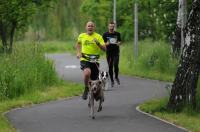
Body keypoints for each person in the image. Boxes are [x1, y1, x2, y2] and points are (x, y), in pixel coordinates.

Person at [76, 21, 106, 100]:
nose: (90, 27)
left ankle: (96, 95)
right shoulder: (82, 36)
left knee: (94, 81)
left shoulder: (98, 36)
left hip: (95, 61)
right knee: (86, 73)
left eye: (92, 26)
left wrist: (98, 44)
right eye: (88, 26)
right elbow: (78, 44)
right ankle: (86, 88)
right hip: (85, 59)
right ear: (86, 27)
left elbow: (105, 49)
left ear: (94, 27)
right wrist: (79, 53)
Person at [103, 21, 122, 87]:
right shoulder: (105, 34)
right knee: (110, 66)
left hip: (116, 52)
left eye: (113, 26)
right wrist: (106, 44)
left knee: (116, 65)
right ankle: (112, 80)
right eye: (110, 26)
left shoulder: (117, 34)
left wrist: (119, 43)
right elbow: (102, 44)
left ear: (114, 27)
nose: (111, 27)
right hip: (108, 52)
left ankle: (116, 77)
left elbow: (120, 41)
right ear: (108, 27)